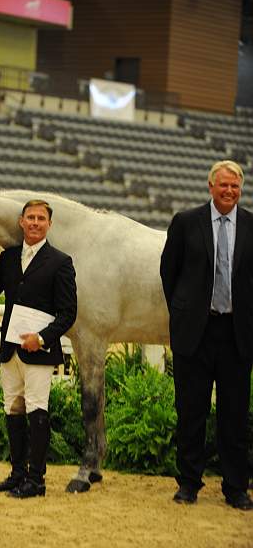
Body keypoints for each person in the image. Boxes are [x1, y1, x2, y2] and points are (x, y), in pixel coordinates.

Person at [160, 160, 253, 510]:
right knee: (191, 412)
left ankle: (235, 488)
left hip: (237, 335)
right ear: (210, 186)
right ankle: (188, 483)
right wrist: (185, 310)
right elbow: (169, 271)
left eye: (235, 186)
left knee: (234, 415)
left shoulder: (250, 225)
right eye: (224, 185)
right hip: (194, 333)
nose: (229, 191)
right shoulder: (186, 222)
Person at [0, 199, 77, 498]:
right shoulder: (9, 258)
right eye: (30, 217)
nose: (35, 222)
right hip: (10, 347)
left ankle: (36, 480)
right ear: (21, 222)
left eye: (41, 218)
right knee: (12, 409)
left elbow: (68, 313)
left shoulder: (61, 262)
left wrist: (43, 337)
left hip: (39, 351)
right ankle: (17, 473)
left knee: (37, 410)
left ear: (49, 224)